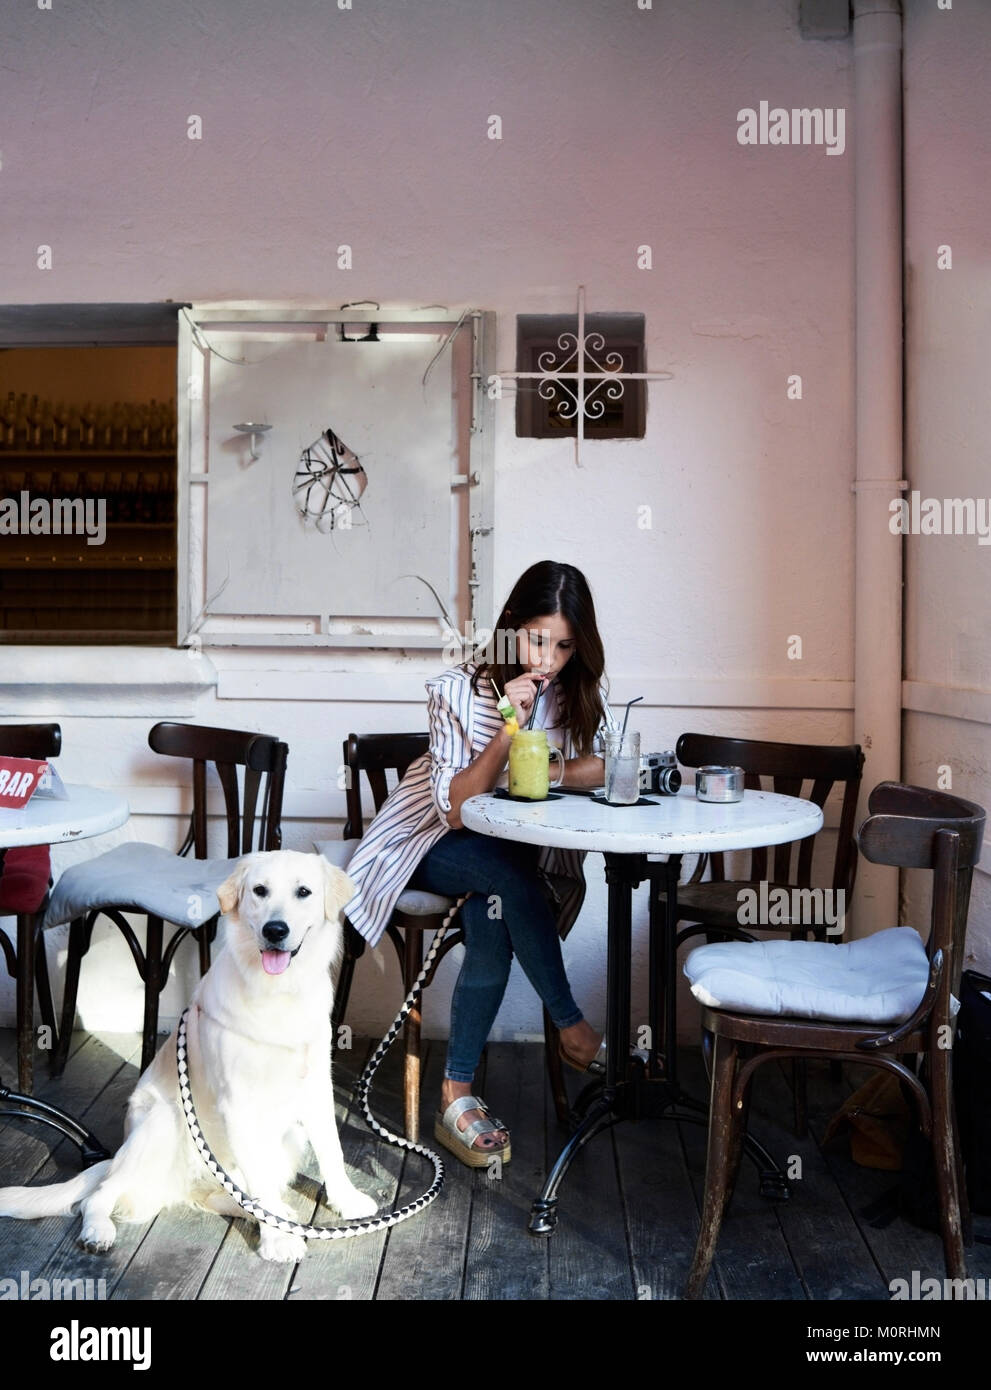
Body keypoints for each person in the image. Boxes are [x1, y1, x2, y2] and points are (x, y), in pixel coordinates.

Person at [343, 560, 617, 1167]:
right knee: (504, 875)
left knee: (496, 910)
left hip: (509, 856)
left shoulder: (572, 695)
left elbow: (601, 765)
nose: (548, 659)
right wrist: (505, 731)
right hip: (425, 842)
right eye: (539, 639)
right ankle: (573, 1027)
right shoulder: (453, 690)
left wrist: (550, 770)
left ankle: (455, 1095)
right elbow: (461, 808)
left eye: (566, 645)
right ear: (511, 625)